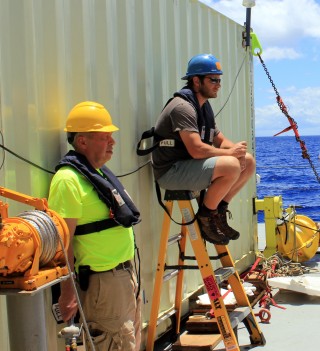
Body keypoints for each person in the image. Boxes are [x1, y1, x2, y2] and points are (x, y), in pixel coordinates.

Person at [48, 101, 141, 351]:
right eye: (104, 137)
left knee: (129, 342)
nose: (112, 142)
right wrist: (67, 292)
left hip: (124, 276)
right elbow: (63, 242)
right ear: (82, 141)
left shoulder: (96, 173)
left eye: (111, 136)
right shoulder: (68, 180)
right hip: (103, 284)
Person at [152, 53, 255, 245]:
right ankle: (206, 217)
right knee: (231, 165)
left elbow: (220, 140)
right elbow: (197, 150)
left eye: (219, 79)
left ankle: (219, 211)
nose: (218, 84)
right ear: (196, 81)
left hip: (189, 166)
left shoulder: (204, 107)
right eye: (213, 79)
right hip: (171, 171)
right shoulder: (182, 107)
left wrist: (238, 151)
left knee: (248, 162)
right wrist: (231, 156)